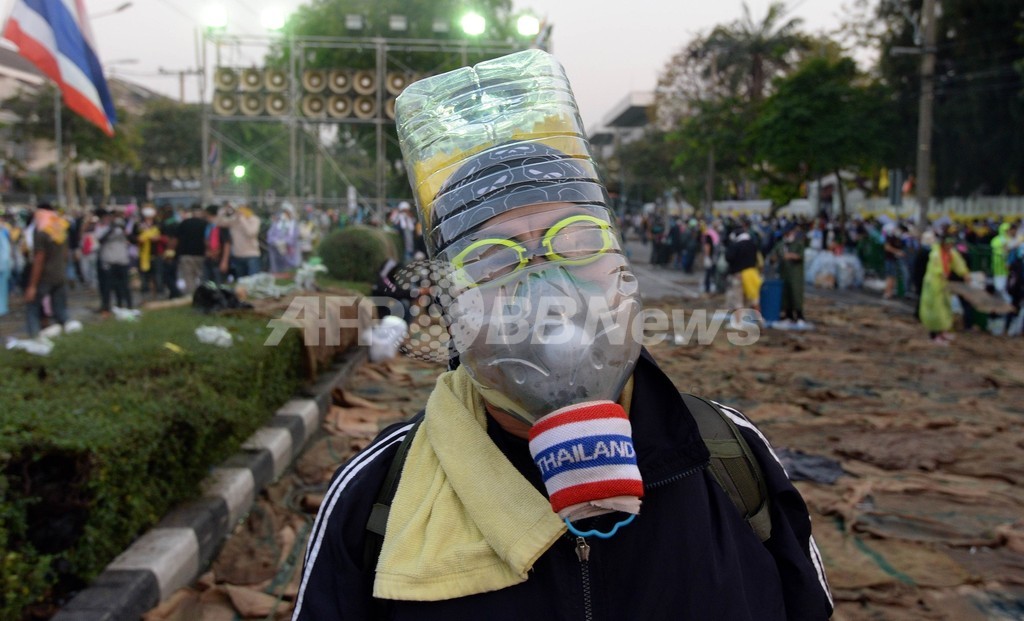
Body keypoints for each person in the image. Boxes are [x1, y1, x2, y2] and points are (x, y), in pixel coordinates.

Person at [293, 51, 832, 621]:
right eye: (495, 261)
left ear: (620, 264)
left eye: (577, 242)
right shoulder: (380, 498)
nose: (548, 289)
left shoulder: (730, 460)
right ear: (451, 305)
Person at [23, 204, 70, 337]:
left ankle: (34, 338)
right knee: (60, 310)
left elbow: (39, 260)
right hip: (60, 275)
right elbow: (66, 255)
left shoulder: (41, 233)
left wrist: (32, 286)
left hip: (44, 277)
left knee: (32, 308)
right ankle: (70, 337)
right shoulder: (61, 231)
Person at [919, 232, 969, 345]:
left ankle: (942, 331)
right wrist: (941, 273)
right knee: (934, 311)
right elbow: (936, 267)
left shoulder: (951, 253)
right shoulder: (936, 253)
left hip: (943, 284)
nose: (950, 246)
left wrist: (965, 273)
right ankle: (934, 335)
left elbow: (958, 263)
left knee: (945, 309)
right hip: (933, 285)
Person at [772, 224, 806, 325]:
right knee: (785, 295)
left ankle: (799, 315)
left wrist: (790, 256)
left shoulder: (798, 244)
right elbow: (774, 255)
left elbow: (800, 256)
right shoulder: (781, 244)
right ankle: (788, 314)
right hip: (784, 273)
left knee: (796, 294)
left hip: (795, 274)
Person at [172, 205, 208, 295]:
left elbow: (176, 239)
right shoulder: (205, 224)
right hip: (201, 254)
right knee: (202, 277)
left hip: (186, 254)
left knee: (189, 278)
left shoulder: (184, 223)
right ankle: (203, 295)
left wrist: (173, 252)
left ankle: (191, 296)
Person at [225, 203, 262, 277]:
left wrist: (242, 219)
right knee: (241, 283)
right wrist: (223, 211)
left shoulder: (254, 219)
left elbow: (251, 233)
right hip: (238, 256)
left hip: (251, 256)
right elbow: (220, 223)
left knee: (252, 281)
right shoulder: (234, 220)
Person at [267, 202, 301, 273]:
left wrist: (284, 242)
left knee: (289, 273)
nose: (285, 214)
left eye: (287, 213)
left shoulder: (294, 225)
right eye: (283, 212)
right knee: (278, 273)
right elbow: (270, 237)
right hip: (276, 255)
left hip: (290, 256)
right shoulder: (276, 224)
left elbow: (293, 239)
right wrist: (276, 242)